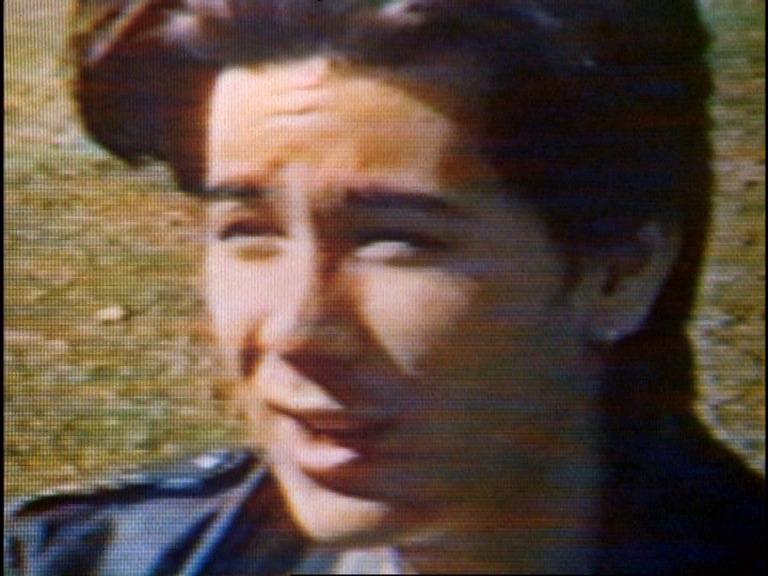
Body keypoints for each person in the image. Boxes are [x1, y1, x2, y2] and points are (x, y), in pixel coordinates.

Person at [6, 0, 765, 573]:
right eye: (248, 231)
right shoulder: (83, 560)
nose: (296, 330)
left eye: (396, 241)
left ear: (618, 273)